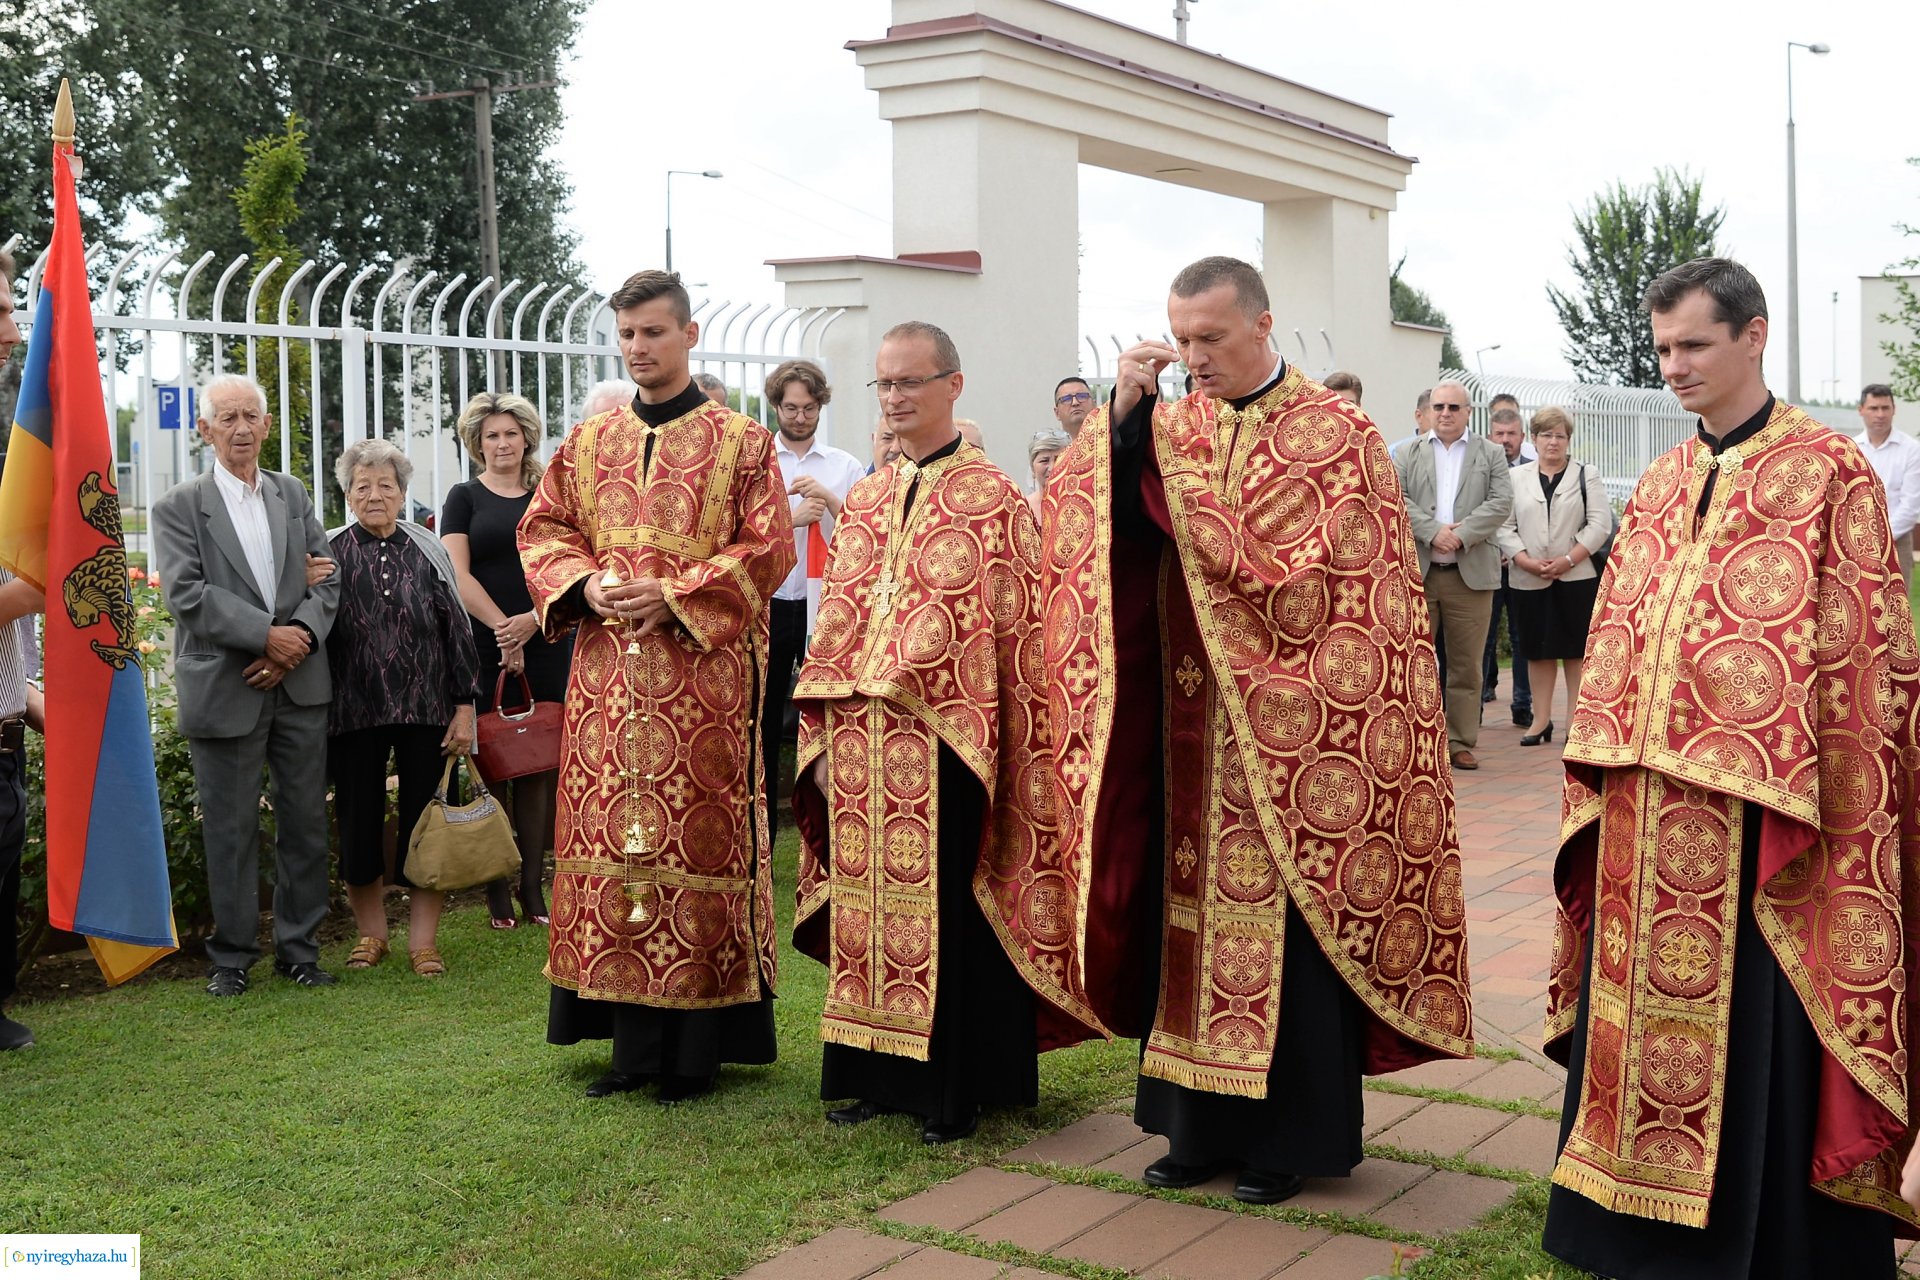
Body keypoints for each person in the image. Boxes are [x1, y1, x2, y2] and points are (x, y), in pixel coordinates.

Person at [1044, 256, 1473, 1205]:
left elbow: (1329, 583)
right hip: (1185, 721)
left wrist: (1177, 499)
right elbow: (1087, 523)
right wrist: (1120, 423)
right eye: (1180, 339)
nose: (1193, 358)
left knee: (1285, 938)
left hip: (1292, 735)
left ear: (1263, 324)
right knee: (1183, 923)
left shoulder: (1335, 431)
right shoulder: (1168, 418)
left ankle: (1288, 1137)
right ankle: (1194, 1129)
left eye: (1212, 340)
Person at [1542, 257, 1920, 1277]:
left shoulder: (1828, 470)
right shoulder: (1662, 480)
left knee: (1756, 1036)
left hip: (1766, 827)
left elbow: (1865, 657)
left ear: (1753, 335)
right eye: (1661, 349)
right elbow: (1623, 630)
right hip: (1641, 819)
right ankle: (1631, 1230)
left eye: (1694, 345)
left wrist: (1786, 766)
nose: (1674, 367)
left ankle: (1772, 1246)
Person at [791, 322, 1102, 1144]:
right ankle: (872, 1072)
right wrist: (819, 736)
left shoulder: (992, 497)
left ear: (952, 387)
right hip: (859, 743)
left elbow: (1012, 635)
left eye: (910, 384)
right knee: (865, 911)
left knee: (947, 916)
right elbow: (838, 624)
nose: (895, 399)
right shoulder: (863, 496)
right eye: (885, 385)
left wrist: (973, 723)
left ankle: (951, 1086)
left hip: (950, 743)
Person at [520, 269, 794, 1103]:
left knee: (693, 843)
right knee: (612, 850)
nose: (639, 348)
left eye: (653, 333)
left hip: (700, 684)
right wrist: (585, 585)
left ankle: (693, 1054)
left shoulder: (742, 443)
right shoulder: (590, 442)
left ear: (689, 333)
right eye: (628, 335)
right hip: (607, 683)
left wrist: (675, 594)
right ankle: (629, 1050)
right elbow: (545, 527)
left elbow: (769, 546)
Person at [151, 375, 340, 996]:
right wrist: (267, 635)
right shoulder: (179, 506)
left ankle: (299, 950)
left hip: (299, 683)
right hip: (227, 688)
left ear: (265, 425)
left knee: (306, 822)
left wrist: (294, 645)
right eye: (226, 418)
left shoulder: (291, 493)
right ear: (204, 430)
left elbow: (328, 580)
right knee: (230, 829)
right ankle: (231, 956)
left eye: (250, 416)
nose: (240, 429)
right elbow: (186, 594)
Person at [325, 441, 479, 977]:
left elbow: (457, 633)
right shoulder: (328, 554)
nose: (374, 496)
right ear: (347, 495)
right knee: (359, 824)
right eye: (362, 487)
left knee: (426, 824)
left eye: (385, 486)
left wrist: (464, 708)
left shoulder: (428, 549)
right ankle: (371, 936)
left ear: (403, 493)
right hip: (352, 712)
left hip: (428, 710)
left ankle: (423, 943)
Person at [442, 391, 571, 929]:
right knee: (493, 761)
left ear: (526, 439)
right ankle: (497, 891)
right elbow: (457, 571)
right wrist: (503, 629)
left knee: (539, 766)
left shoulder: (548, 494)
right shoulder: (463, 497)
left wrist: (532, 623)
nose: (502, 444)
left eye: (510, 434)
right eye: (491, 435)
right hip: (485, 641)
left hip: (546, 636)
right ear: (478, 443)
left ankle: (532, 891)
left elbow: (567, 564)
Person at [761, 359, 863, 842]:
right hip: (773, 599)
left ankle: (831, 819)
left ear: (821, 406)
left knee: (826, 709)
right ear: (776, 406)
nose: (799, 418)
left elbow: (865, 534)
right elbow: (745, 534)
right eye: (790, 408)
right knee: (762, 713)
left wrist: (829, 500)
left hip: (826, 603)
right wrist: (793, 517)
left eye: (808, 408)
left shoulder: (842, 465)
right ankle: (760, 826)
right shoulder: (759, 461)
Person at [1395, 380, 1512, 770]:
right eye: (1439, 407)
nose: (1445, 414)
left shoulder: (1491, 453)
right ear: (1428, 411)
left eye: (1453, 408)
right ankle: (1415, 744)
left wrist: (1459, 535)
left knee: (1466, 665)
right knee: (1413, 663)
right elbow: (1396, 498)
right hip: (1419, 573)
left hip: (1471, 574)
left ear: (1468, 412)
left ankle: (1460, 741)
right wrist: (1433, 531)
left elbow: (1500, 503)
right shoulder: (1406, 453)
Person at [1493, 407, 1608, 747]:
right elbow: (1503, 524)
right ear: (1533, 439)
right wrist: (1524, 559)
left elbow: (1600, 524)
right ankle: (1540, 721)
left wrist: (1569, 559)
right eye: (1546, 435)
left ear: (1568, 440)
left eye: (1560, 435)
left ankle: (1576, 721)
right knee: (1537, 650)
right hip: (1528, 577)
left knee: (1575, 651)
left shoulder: (1587, 474)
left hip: (1577, 576)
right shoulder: (1516, 478)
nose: (1553, 442)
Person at [1480, 407, 1533, 727]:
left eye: (1511, 434)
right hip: (1487, 566)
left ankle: (1522, 703)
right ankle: (1478, 706)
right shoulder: (1479, 468)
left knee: (1521, 637)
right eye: (1499, 434)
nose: (1505, 440)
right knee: (1483, 640)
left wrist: (1515, 550)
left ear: (1522, 437)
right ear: (1490, 436)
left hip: (1522, 566)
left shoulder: (1532, 470)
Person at [1857, 383, 1920, 582]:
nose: (1880, 414)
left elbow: (1910, 506)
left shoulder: (1911, 449)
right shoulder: (1852, 448)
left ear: (1894, 410)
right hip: (1858, 542)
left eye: (1886, 408)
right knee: (1860, 607)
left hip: (1897, 542)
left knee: (1898, 608)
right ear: (1861, 411)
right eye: (1874, 408)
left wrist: (1879, 538)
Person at [1025, 427, 1070, 518]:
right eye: (1044, 461)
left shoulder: (1080, 504)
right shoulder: (1024, 508)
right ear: (1033, 469)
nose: (1051, 468)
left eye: (1058, 459)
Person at [1386, 388, 1432, 459]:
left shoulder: (1452, 452)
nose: (1443, 418)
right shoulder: (1394, 453)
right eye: (1435, 414)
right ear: (1419, 416)